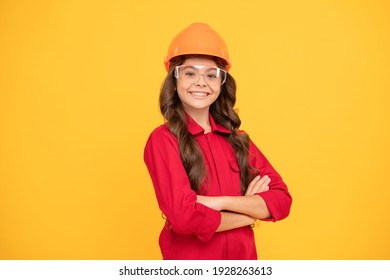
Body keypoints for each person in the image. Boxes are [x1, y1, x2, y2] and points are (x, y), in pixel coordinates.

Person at [144, 23, 292, 260]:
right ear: (174, 78)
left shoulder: (239, 140)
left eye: (211, 75)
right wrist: (247, 212)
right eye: (190, 72)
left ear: (222, 83)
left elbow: (282, 201)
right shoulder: (163, 140)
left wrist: (217, 202)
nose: (201, 82)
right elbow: (184, 218)